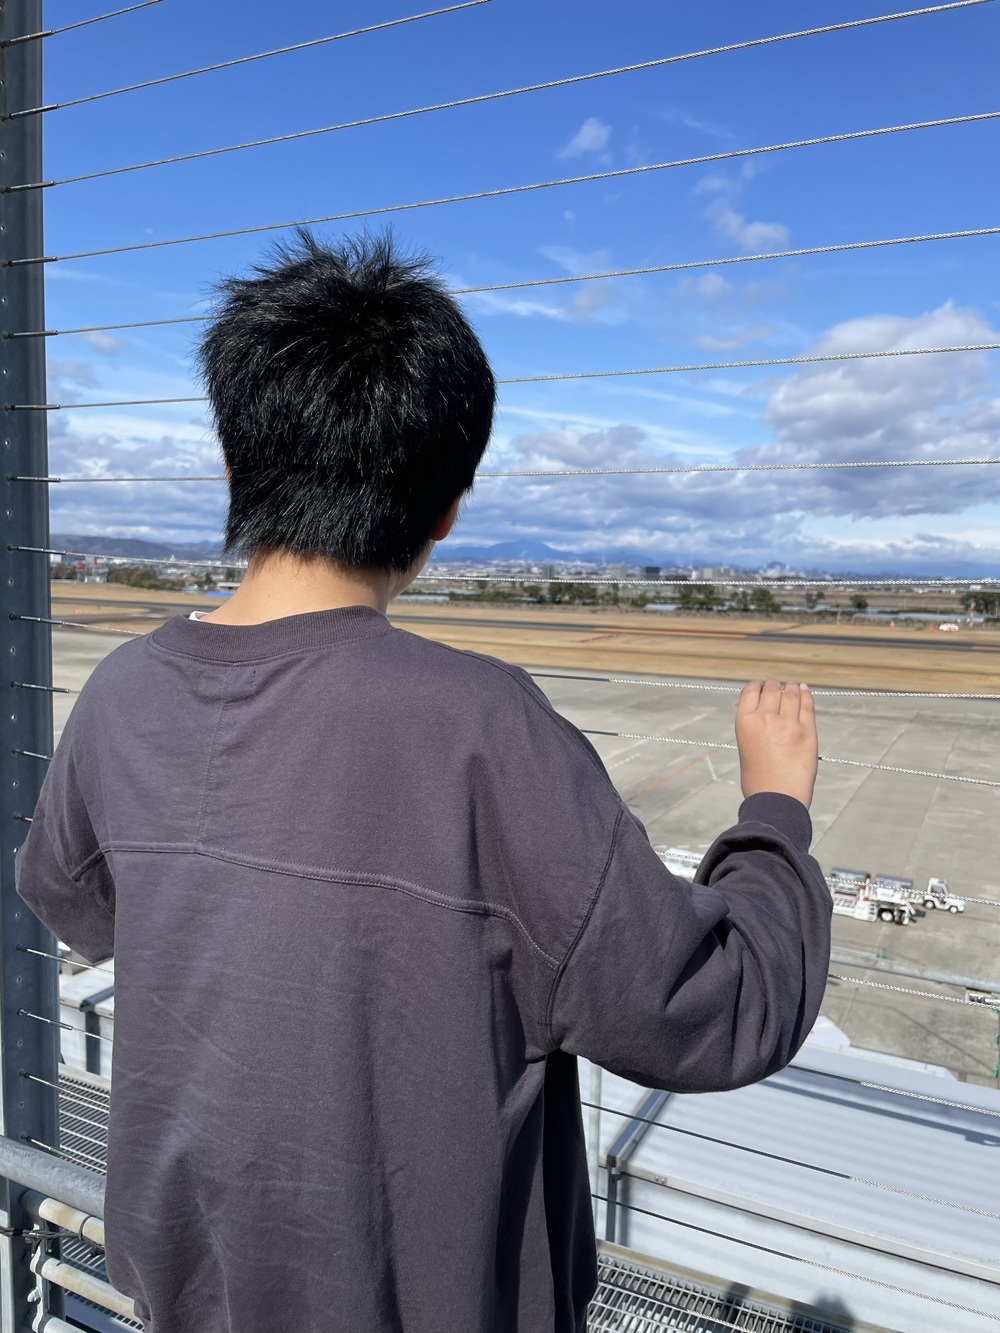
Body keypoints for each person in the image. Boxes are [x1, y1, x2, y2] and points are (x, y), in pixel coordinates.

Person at [16, 232, 831, 1333]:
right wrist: (774, 813)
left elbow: (71, 896)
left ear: (235, 468)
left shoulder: (123, 691)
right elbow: (715, 1011)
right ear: (448, 505)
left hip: (189, 1295)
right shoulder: (481, 727)